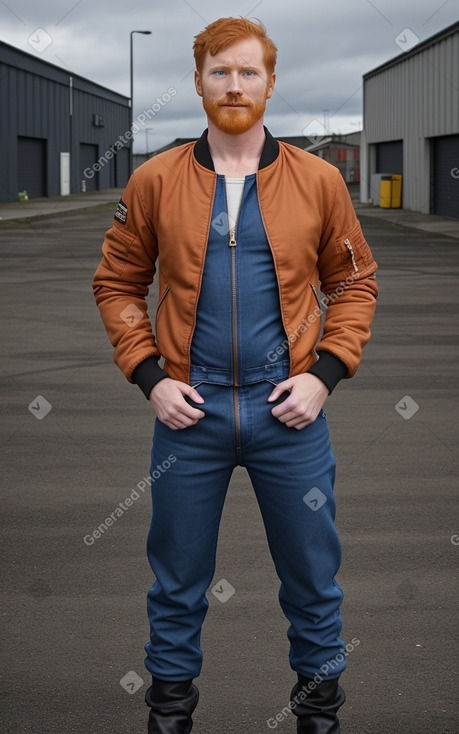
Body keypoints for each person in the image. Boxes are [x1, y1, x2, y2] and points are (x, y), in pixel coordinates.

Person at [92, 17, 378, 734]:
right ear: (197, 82)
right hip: (190, 415)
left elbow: (353, 282)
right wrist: (151, 377)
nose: (233, 85)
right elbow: (117, 283)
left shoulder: (317, 180)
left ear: (270, 83)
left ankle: (318, 714)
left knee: (313, 579)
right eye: (220, 71)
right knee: (177, 582)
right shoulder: (155, 179)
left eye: (248, 72)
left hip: (291, 416)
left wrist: (323, 375)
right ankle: (170, 715)